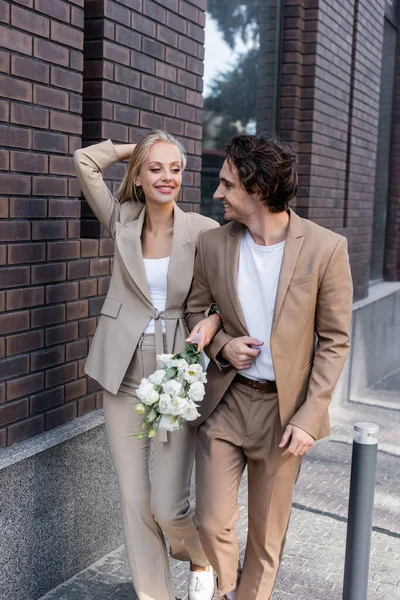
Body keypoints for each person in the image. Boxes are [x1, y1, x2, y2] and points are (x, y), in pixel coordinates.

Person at [185, 134, 353, 600]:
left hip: (284, 417)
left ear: (256, 188)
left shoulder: (326, 249)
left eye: (227, 184)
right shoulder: (213, 244)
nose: (217, 194)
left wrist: (310, 416)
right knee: (211, 520)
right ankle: (223, 591)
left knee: (265, 535)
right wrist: (221, 344)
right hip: (227, 401)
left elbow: (335, 341)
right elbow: (193, 313)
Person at [73, 131, 220, 600]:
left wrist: (212, 324)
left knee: (168, 504)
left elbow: (223, 297)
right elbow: (84, 161)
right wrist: (128, 150)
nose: (167, 178)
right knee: (135, 500)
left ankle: (202, 556)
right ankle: (156, 595)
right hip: (122, 370)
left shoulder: (202, 229)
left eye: (175, 169)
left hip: (177, 374)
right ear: (138, 175)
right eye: (155, 168)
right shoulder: (122, 219)